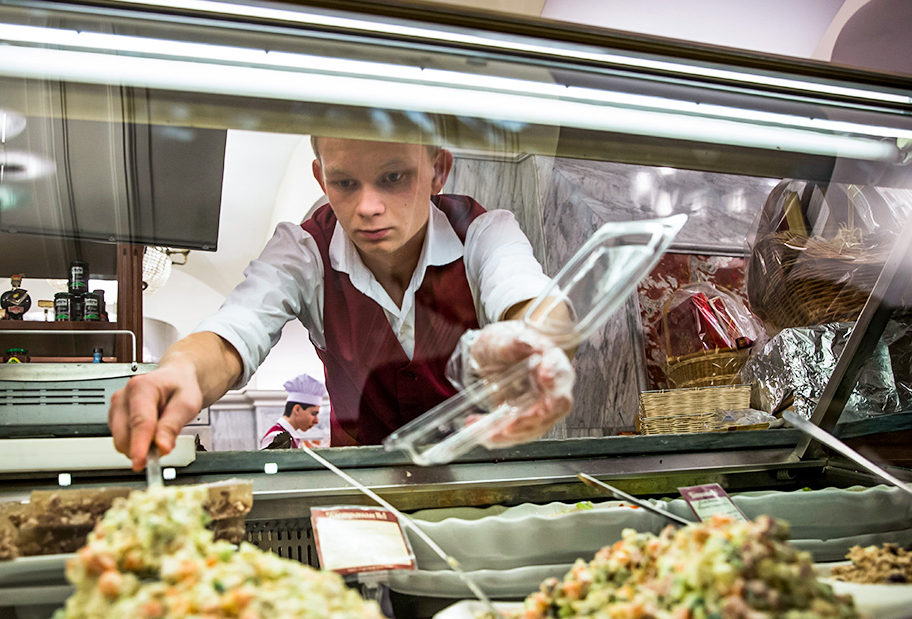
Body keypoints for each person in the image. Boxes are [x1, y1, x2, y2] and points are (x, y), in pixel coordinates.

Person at [110, 136, 576, 470]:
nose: (368, 206)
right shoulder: (304, 250)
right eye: (345, 183)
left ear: (438, 170)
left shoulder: (482, 231)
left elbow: (531, 302)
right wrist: (179, 373)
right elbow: (236, 327)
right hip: (368, 486)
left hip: (492, 476)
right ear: (321, 177)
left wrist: (538, 345)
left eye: (394, 177)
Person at [261, 374, 325, 449]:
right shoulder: (277, 438)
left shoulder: (289, 436)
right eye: (313, 414)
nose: (316, 421)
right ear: (297, 409)